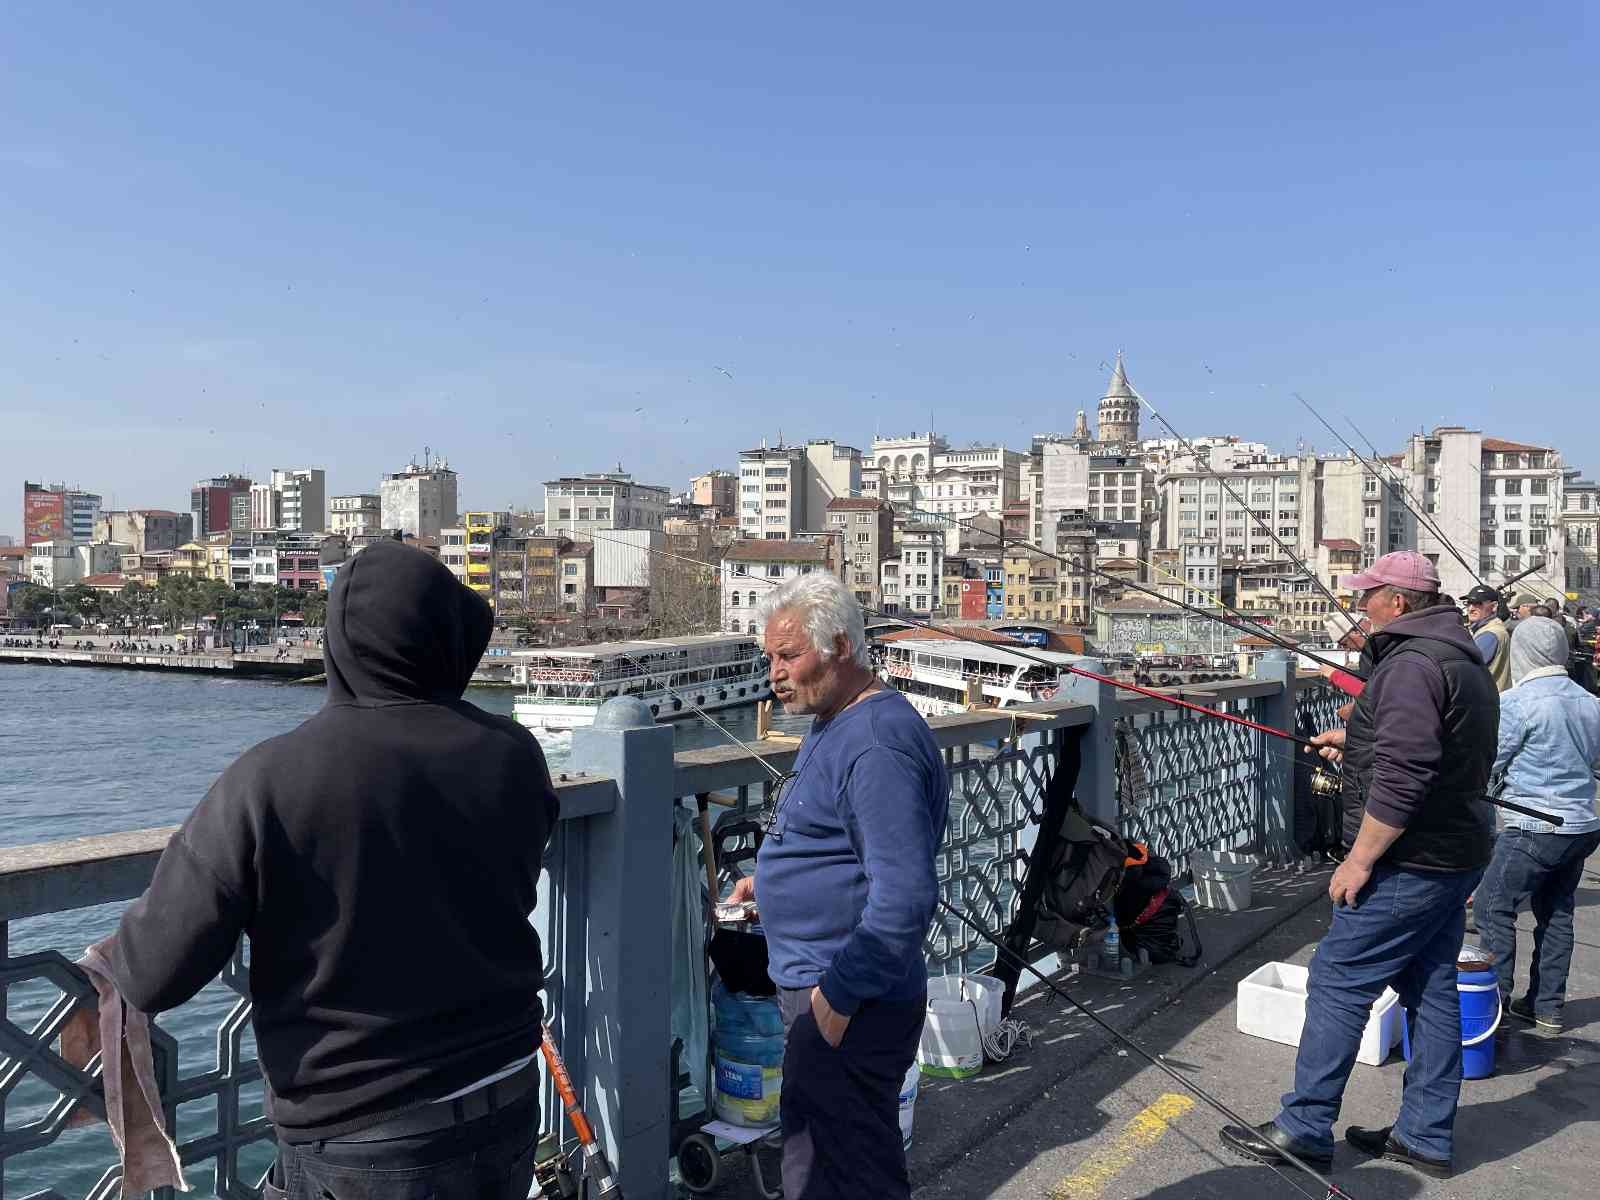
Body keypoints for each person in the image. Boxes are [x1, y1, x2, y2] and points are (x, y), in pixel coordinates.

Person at [102, 539, 560, 1199]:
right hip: (507, 1095)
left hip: (364, 1133)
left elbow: (151, 972)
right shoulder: (513, 754)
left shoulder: (272, 780)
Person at [1221, 551, 1497, 1180]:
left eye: (1369, 594)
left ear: (1398, 603)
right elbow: (1438, 743)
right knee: (1430, 990)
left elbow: (1404, 780)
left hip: (1410, 860)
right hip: (1456, 853)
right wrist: (1359, 737)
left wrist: (1359, 860)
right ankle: (1425, 1136)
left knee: (1339, 981)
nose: (1360, 604)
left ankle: (1304, 1126)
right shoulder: (1461, 657)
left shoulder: (1410, 666)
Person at [729, 572, 947, 1200]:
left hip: (848, 998)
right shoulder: (837, 721)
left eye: (789, 655)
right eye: (770, 657)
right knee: (834, 1157)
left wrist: (837, 998)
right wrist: (767, 885)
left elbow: (905, 896)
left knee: (838, 1172)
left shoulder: (874, 745)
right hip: (830, 987)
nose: (775, 672)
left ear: (842, 647)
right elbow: (840, 851)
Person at [1473, 617, 1600, 1037]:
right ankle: (1546, 1008)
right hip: (1581, 827)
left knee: (1493, 905)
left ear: (1524, 653)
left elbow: (1489, 764)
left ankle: (1494, 1008)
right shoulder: (1590, 701)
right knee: (1557, 912)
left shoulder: (1517, 702)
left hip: (1533, 826)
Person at [1462, 584, 1512, 690]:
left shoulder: (1490, 634)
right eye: (1469, 603)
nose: (1470, 609)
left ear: (1494, 606)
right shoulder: (1487, 629)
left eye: (1478, 604)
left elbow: (1466, 673)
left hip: (1488, 701)